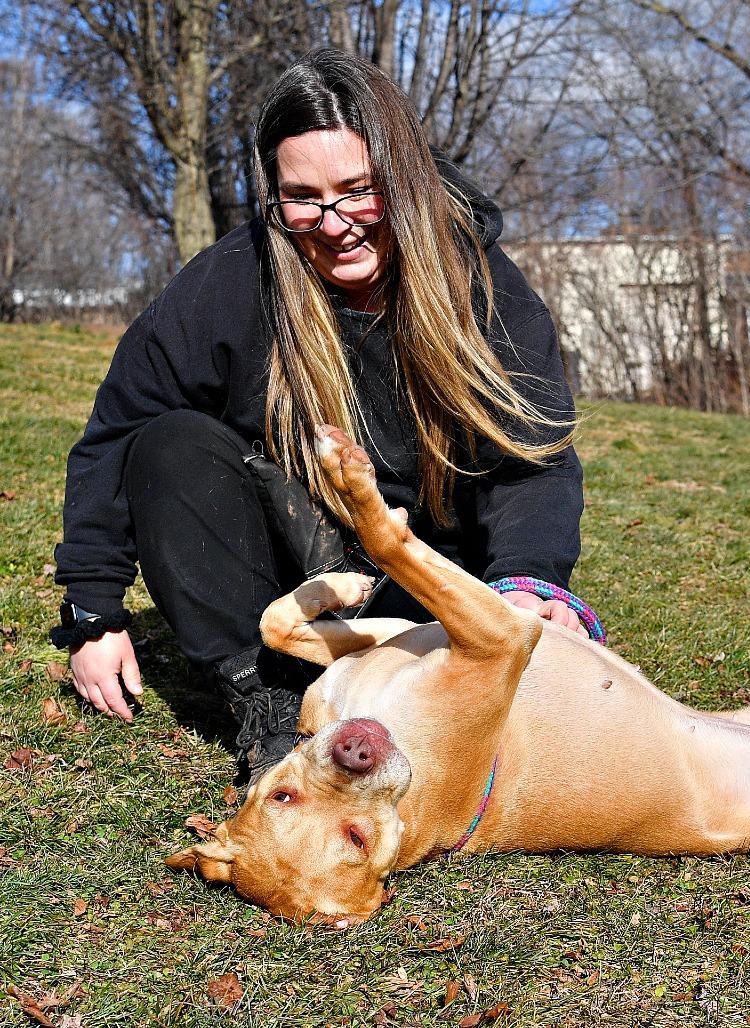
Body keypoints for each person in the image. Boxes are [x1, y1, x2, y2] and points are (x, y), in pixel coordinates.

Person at [50, 49, 603, 783]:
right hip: (289, 582)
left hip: (423, 575)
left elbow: (531, 459)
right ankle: (270, 708)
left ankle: (404, 690)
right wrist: (93, 609)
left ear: (402, 178)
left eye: (358, 191)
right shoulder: (230, 282)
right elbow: (118, 430)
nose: (335, 223)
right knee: (168, 444)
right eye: (302, 197)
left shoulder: (485, 289)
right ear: (273, 196)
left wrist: (529, 581)